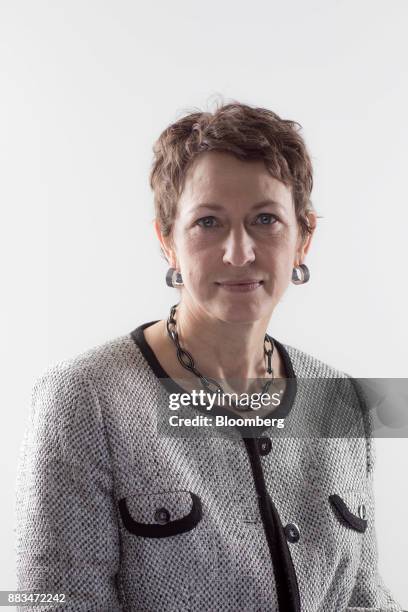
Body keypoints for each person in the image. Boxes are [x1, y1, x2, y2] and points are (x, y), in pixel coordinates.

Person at [15, 101, 404, 611]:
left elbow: (363, 598)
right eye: (208, 223)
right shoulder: (86, 398)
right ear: (167, 240)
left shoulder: (342, 401)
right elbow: (48, 603)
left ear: (304, 238)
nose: (239, 252)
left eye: (265, 219)